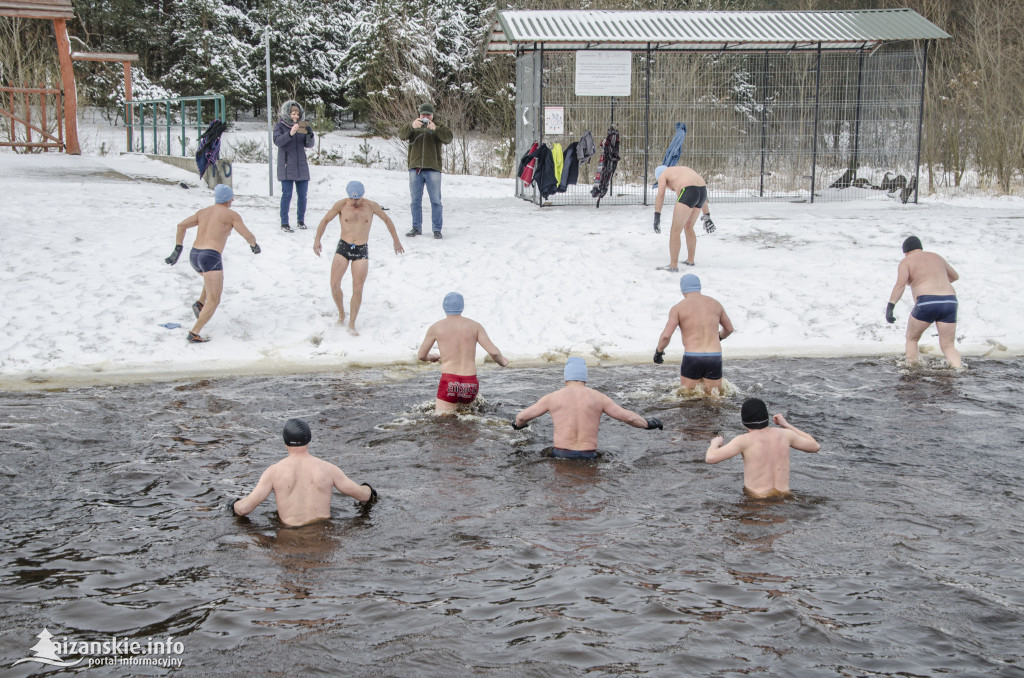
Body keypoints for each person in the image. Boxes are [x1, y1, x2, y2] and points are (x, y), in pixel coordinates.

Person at [230, 419, 377, 526]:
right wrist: (369, 489)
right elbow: (363, 496)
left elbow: (244, 509)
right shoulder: (328, 469)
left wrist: (233, 504)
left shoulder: (273, 472)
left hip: (289, 539)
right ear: (309, 440)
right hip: (322, 537)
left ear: (285, 442)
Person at [512, 357, 663, 459]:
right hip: (589, 455)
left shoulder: (552, 397)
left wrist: (519, 426)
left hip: (560, 454)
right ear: (585, 377)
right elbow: (627, 417)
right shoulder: (599, 397)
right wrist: (648, 424)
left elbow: (521, 417)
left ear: (566, 377)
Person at [164, 184, 260, 343]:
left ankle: (200, 303)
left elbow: (181, 226)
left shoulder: (203, 212)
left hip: (194, 255)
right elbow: (247, 235)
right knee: (215, 299)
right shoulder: (231, 215)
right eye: (232, 197)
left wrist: (177, 249)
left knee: (211, 281)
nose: (233, 199)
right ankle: (194, 332)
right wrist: (254, 245)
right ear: (228, 199)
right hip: (210, 256)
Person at [313, 181, 404, 335]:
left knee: (358, 287)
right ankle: (341, 313)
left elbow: (387, 220)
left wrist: (396, 241)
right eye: (352, 199)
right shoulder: (341, 205)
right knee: (334, 284)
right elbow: (325, 220)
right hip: (344, 246)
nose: (354, 202)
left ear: (363, 195)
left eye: (358, 199)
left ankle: (352, 323)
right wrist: (317, 240)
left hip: (361, 249)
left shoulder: (371, 206)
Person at [705, 398, 820, 498]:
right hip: (785, 498)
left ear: (744, 422)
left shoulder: (744, 440)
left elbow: (710, 458)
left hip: (756, 500)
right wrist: (786, 425)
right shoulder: (786, 434)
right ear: (767, 416)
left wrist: (715, 443)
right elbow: (815, 446)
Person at [417, 292, 509, 412]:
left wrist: (431, 357)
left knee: (443, 424)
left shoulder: (436, 327)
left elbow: (421, 355)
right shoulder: (475, 326)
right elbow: (494, 352)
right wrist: (502, 362)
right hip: (470, 382)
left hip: (449, 380)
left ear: (444, 307)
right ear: (462, 307)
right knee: (467, 420)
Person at [886, 235, 962, 368]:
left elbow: (900, 285)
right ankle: (958, 369)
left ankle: (912, 370)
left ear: (906, 251)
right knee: (948, 346)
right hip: (950, 301)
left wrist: (890, 306)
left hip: (927, 302)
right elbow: (955, 276)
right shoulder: (937, 257)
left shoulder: (907, 261)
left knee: (912, 339)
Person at [654, 274, 734, 394]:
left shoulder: (678, 308)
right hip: (714, 356)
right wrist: (718, 337)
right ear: (699, 287)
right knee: (715, 398)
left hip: (693, 357)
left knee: (688, 397)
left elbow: (666, 335)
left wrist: (659, 352)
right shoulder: (715, 304)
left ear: (683, 290)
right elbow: (729, 329)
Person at [399, 102, 452, 239]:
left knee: (436, 201)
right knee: (415, 200)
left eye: (428, 114)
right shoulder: (414, 125)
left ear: (432, 115)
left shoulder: (438, 126)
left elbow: (448, 138)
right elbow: (401, 135)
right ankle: (416, 227)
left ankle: (437, 229)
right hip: (415, 168)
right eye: (423, 114)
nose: (425, 117)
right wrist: (411, 126)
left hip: (433, 169)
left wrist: (436, 130)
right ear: (419, 115)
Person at [652, 164, 712, 270]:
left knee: (675, 231)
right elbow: (698, 189)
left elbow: (660, 194)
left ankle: (673, 265)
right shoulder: (682, 171)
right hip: (702, 192)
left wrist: (657, 216)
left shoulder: (663, 175)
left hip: (689, 191)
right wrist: (707, 215)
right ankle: (690, 260)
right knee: (689, 227)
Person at [273, 99, 315, 232]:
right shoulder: (280, 125)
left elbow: (309, 145)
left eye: (297, 113)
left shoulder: (302, 125)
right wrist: (290, 133)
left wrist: (310, 134)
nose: (295, 116)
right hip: (286, 165)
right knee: (287, 194)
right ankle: (284, 222)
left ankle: (301, 220)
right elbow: (278, 141)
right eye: (292, 113)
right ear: (287, 113)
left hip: (301, 165)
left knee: (303, 194)